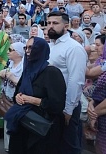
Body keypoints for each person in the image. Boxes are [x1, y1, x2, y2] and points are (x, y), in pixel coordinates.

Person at [5, 37, 66, 154]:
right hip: (22, 123)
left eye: (31, 48)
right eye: (26, 48)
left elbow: (57, 105)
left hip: (41, 128)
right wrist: (18, 97)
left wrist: (33, 100)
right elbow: (18, 93)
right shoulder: (28, 71)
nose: (27, 51)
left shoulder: (52, 72)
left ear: (41, 50)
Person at [47, 11, 87, 153]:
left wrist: (68, 109)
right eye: (49, 23)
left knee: (68, 146)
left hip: (66, 105)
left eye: (55, 23)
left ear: (66, 25)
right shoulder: (50, 46)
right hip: (51, 103)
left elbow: (76, 80)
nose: (50, 26)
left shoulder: (74, 48)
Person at [0, 42, 24, 151]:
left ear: (18, 52)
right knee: (7, 122)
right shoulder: (10, 64)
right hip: (7, 97)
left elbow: (23, 84)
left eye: (11, 50)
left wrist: (12, 78)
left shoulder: (24, 66)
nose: (8, 52)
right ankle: (8, 146)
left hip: (17, 99)